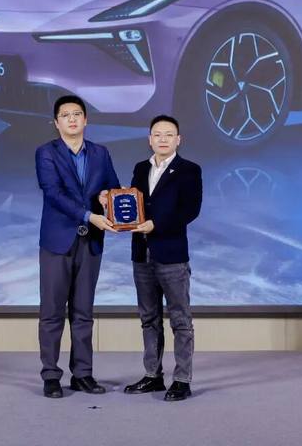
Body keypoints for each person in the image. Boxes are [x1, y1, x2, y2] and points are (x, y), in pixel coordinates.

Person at [35, 95, 120, 398]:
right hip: (57, 242)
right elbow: (53, 193)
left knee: (84, 312)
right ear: (56, 122)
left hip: (91, 242)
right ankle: (50, 375)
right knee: (52, 312)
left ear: (86, 119)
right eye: (65, 115)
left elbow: (112, 187)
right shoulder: (46, 153)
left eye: (77, 114)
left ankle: (83, 374)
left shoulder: (101, 153)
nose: (71, 119)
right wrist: (89, 215)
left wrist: (108, 199)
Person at [123, 114, 202, 402]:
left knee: (180, 320)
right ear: (150, 139)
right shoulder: (140, 168)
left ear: (178, 139)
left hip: (172, 255)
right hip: (141, 254)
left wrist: (156, 224)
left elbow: (190, 210)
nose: (163, 139)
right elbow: (133, 203)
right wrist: (121, 212)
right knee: (149, 319)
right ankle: (152, 375)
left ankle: (182, 379)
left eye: (169, 134)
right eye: (157, 134)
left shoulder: (189, 170)